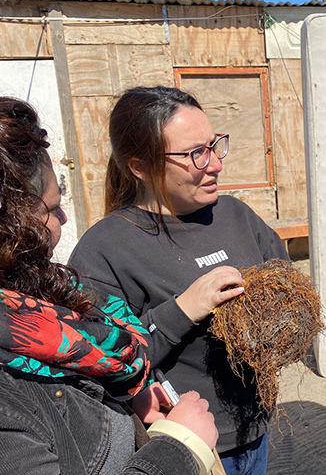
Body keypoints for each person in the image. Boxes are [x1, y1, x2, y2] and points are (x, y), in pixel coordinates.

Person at [68, 86, 290, 475]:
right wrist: (184, 308)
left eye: (214, 145)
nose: (215, 164)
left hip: (255, 433)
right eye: (194, 154)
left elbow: (285, 282)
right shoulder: (104, 249)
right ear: (140, 166)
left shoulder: (235, 215)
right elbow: (101, 364)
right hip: (184, 450)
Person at [0, 96, 219, 474]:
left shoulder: (39, 294)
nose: (65, 218)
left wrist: (123, 396)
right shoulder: (105, 246)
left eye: (214, 146)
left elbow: (99, 355)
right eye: (50, 210)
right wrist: (180, 448)